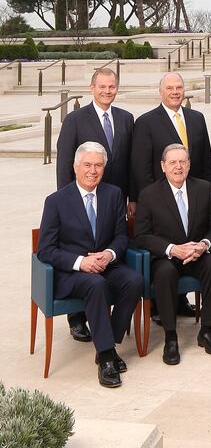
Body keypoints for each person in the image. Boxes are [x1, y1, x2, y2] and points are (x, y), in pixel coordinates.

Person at [37, 142, 143, 388]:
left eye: (98, 165)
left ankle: (109, 342)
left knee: (135, 280)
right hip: (71, 273)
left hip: (106, 265)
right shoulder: (56, 201)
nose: (92, 171)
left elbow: (120, 236)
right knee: (95, 284)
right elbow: (45, 250)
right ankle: (106, 357)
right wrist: (80, 262)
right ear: (75, 167)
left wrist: (108, 254)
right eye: (87, 165)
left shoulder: (113, 194)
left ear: (104, 168)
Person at [55, 66, 135, 343]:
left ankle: (106, 325)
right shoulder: (75, 119)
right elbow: (66, 163)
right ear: (92, 88)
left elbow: (129, 164)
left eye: (112, 87)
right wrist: (67, 205)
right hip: (79, 200)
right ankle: (77, 316)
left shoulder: (126, 119)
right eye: (102, 87)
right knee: (82, 254)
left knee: (111, 258)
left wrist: (130, 198)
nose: (107, 91)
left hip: (113, 201)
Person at [134, 144, 211, 365]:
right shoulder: (149, 194)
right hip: (166, 257)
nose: (178, 166)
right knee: (165, 274)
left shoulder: (203, 188)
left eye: (182, 162)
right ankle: (170, 337)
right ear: (163, 166)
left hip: (196, 253)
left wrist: (203, 245)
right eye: (172, 162)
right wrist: (171, 249)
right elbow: (141, 236)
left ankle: (206, 330)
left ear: (189, 165)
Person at [130, 71, 211, 200]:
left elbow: (207, 160)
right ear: (161, 92)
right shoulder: (145, 122)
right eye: (169, 88)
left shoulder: (197, 118)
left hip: (196, 195)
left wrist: (210, 193)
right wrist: (151, 199)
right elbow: (142, 168)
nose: (175, 92)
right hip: (162, 197)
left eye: (179, 87)